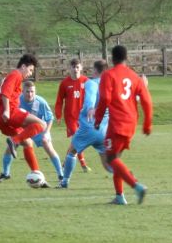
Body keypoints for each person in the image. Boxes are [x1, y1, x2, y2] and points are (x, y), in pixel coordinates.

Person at [94, 45, 152, 205]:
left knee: (110, 158)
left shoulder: (108, 75)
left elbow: (105, 99)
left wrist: (98, 119)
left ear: (112, 59)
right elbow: (146, 100)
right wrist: (147, 124)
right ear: (126, 58)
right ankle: (119, 196)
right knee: (116, 157)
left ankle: (137, 186)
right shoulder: (135, 77)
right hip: (131, 122)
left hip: (117, 123)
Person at [0, 54, 49, 187]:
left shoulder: (10, 76)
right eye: (30, 70)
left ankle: (37, 176)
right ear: (23, 66)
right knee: (41, 124)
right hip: (8, 113)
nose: (30, 74)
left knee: (28, 143)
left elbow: (2, 92)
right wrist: (7, 110)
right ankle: (14, 141)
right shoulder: (16, 74)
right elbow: (5, 94)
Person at [57, 60, 114, 190]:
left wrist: (90, 107)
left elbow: (91, 97)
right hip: (104, 129)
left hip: (89, 128)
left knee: (71, 152)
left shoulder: (91, 83)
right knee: (106, 163)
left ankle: (64, 182)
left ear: (95, 71)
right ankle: (124, 175)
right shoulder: (111, 84)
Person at [0, 81, 64, 183]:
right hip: (24, 129)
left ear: (35, 91)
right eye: (27, 91)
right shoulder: (17, 100)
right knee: (11, 147)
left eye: (32, 91)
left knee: (47, 145)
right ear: (23, 91)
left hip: (39, 129)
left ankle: (61, 175)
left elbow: (49, 118)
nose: (30, 94)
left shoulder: (41, 102)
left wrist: (47, 133)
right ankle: (5, 173)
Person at [55, 59, 91, 172]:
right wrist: (58, 114)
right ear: (69, 68)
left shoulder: (87, 82)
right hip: (71, 117)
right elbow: (59, 100)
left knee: (75, 141)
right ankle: (83, 163)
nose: (75, 69)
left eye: (77, 67)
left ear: (81, 68)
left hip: (84, 118)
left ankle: (65, 163)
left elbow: (94, 97)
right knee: (77, 138)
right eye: (73, 67)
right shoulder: (65, 83)